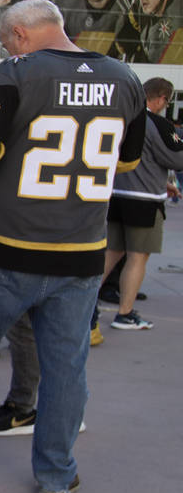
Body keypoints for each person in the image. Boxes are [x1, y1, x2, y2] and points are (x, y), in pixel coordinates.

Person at [0, 0, 145, 493]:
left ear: (20, 34)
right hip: (81, 250)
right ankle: (56, 473)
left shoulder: (13, 73)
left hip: (3, 246)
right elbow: (127, 162)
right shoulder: (125, 78)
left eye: (5, 40)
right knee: (66, 367)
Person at [102, 77, 183, 330]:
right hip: (144, 199)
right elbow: (177, 158)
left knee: (111, 252)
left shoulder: (122, 116)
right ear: (160, 98)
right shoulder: (157, 123)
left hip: (116, 193)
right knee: (138, 257)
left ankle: (82, 303)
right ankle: (125, 313)